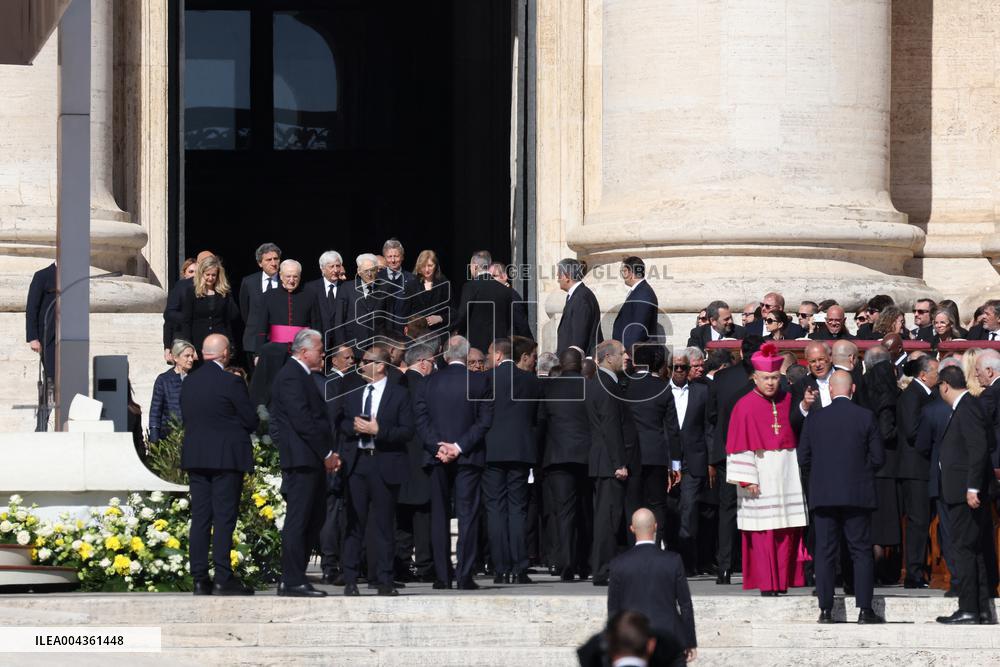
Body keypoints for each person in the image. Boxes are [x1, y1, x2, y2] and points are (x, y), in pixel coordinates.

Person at [797, 371, 885, 624]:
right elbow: (879, 458)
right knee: (860, 551)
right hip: (857, 493)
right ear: (853, 389)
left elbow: (803, 458)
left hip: (824, 494)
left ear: (831, 391)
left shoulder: (815, 419)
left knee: (824, 553)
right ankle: (865, 609)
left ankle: (825, 609)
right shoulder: (865, 416)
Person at [725, 342, 808, 595]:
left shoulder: (788, 400)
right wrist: (746, 479)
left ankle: (781, 582)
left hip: (786, 473)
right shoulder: (744, 405)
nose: (771, 383)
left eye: (774, 377)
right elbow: (738, 446)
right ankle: (767, 584)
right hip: (759, 474)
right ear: (755, 377)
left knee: (785, 531)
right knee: (764, 534)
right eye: (765, 378)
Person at [179, 333, 259, 596]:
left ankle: (200, 578)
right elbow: (250, 420)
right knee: (224, 518)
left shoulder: (189, 382)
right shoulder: (230, 382)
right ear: (225, 354)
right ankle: (223, 576)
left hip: (197, 457)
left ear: (203, 354)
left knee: (201, 518)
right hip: (226, 458)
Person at [413, 335, 494, 590]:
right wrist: (458, 447)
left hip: (437, 456)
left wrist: (439, 446)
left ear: (445, 355)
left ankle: (442, 575)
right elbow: (484, 421)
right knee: (467, 514)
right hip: (468, 456)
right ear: (467, 356)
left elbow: (421, 420)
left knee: (439, 515)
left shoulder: (428, 383)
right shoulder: (480, 382)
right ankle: (465, 574)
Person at [335, 344, 414, 597]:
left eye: (366, 361)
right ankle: (349, 578)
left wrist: (380, 432)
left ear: (380, 365)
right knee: (354, 523)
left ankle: (385, 579)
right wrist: (355, 427)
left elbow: (407, 430)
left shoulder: (399, 394)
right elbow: (341, 421)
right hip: (357, 463)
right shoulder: (353, 390)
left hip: (384, 462)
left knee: (383, 524)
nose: (360, 364)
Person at [270, 329, 341, 597]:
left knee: (313, 518)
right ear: (304, 351)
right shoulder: (291, 376)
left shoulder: (301, 375)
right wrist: (326, 453)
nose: (323, 354)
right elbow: (303, 420)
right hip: (302, 460)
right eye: (320, 349)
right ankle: (291, 578)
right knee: (300, 520)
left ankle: (294, 575)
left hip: (309, 459)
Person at [935, 365, 996, 625]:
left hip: (965, 493)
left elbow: (979, 446)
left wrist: (972, 487)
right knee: (975, 549)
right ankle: (980, 609)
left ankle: (969, 608)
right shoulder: (968, 405)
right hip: (963, 490)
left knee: (963, 549)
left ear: (945, 385)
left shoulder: (967, 407)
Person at [482, 337, 542, 584]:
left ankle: (500, 567)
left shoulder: (487, 379)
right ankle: (519, 566)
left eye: (488, 354)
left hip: (492, 450)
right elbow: (537, 417)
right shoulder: (530, 380)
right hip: (520, 450)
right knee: (517, 509)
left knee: (495, 508)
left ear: (497, 355)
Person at [706, 335, 763, 584]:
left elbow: (711, 416)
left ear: (740, 351)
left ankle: (725, 567)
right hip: (757, 451)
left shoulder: (722, 378)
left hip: (728, 451)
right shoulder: (766, 379)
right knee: (758, 508)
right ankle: (757, 563)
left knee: (727, 510)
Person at [608, 509, 697, 658]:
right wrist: (689, 641)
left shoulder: (618, 564)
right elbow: (685, 605)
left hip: (633, 639)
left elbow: (613, 611)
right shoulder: (673, 561)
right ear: (655, 526)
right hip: (669, 638)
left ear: (631, 529)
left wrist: (614, 645)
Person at [539, 348, 592, 581]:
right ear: (580, 364)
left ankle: (565, 561)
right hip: (587, 456)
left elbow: (541, 423)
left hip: (558, 457)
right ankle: (584, 561)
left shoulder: (549, 388)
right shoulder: (589, 386)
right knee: (586, 510)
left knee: (564, 511)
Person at [623, 345, 683, 552]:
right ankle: (655, 546)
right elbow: (672, 428)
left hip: (631, 453)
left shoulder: (625, 385)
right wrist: (675, 461)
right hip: (656, 453)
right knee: (657, 503)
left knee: (633, 502)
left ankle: (634, 547)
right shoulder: (663, 386)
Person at [587, 339, 632, 585]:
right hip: (607, 462)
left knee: (607, 516)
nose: (626, 357)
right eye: (622, 353)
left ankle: (605, 566)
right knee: (608, 518)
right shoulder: (605, 384)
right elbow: (610, 426)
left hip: (603, 461)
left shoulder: (602, 382)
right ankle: (603, 569)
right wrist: (619, 463)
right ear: (608, 358)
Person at [249, 259, 322, 405]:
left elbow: (316, 326)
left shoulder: (310, 295)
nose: (292, 280)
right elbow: (261, 328)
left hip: (302, 352)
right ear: (280, 275)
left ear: (300, 277)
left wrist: (318, 352)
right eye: (288, 276)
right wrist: (258, 354)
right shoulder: (269, 296)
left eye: (295, 276)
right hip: (275, 351)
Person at [395, 343, 437, 583]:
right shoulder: (425, 386)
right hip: (422, 456)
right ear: (422, 362)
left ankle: (401, 563)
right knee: (422, 515)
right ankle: (424, 564)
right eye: (432, 363)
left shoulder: (395, 384)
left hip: (400, 458)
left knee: (401, 514)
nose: (433, 367)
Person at [895, 355, 939, 588]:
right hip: (915, 469)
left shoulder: (922, 394)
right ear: (923, 374)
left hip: (920, 468)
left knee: (921, 521)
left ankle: (918, 569)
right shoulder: (913, 395)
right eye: (935, 372)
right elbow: (913, 431)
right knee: (918, 521)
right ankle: (913, 573)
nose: (938, 376)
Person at [452, 250, 525, 354]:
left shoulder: (470, 287)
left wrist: (452, 331)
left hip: (475, 345)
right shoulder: (505, 290)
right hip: (499, 346)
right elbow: (509, 320)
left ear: (475, 267)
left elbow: (462, 315)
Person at [178, 255, 240, 357]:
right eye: (207, 274)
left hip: (219, 344)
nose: (210, 278)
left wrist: (231, 344)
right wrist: (189, 347)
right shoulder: (191, 292)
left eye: (214, 275)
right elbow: (186, 322)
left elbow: (230, 318)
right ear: (201, 274)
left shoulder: (223, 293)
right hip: (198, 345)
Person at [238, 243, 281, 368]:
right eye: (269, 259)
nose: (273, 263)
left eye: (276, 259)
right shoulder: (248, 282)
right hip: (253, 340)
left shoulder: (286, 281)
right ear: (260, 263)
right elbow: (245, 310)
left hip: (278, 341)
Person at [403, 249, 454, 348]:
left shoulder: (444, 283)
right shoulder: (411, 284)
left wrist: (440, 318)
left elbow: (453, 311)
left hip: (438, 333)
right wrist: (417, 321)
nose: (426, 270)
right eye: (423, 266)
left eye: (430, 266)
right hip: (416, 335)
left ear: (436, 266)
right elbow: (405, 312)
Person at [149, 339, 196, 442]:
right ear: (175, 358)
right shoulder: (163, 380)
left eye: (192, 356)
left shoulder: (196, 380)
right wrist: (154, 440)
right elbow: (155, 412)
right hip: (169, 438)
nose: (191, 359)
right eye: (187, 356)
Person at [340, 253, 390, 350]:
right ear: (359, 271)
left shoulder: (385, 288)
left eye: (372, 270)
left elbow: (388, 318)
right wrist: (342, 344)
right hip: (352, 344)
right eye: (366, 271)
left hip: (377, 345)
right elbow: (340, 319)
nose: (370, 274)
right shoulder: (347, 288)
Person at [556, 258, 604, 357]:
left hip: (579, 362)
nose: (558, 279)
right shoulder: (577, 295)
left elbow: (579, 336)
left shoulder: (581, 298)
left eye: (559, 275)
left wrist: (572, 362)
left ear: (566, 276)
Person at [612, 256, 659, 355]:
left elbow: (639, 328)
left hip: (635, 355)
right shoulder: (640, 291)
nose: (623, 275)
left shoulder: (643, 294)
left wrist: (627, 353)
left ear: (630, 272)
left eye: (623, 271)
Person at [303, 250, 348, 351]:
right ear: (322, 268)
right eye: (331, 266)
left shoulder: (346, 287)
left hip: (341, 344)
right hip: (318, 343)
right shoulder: (311, 288)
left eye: (338, 266)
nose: (336, 270)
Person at [378, 238, 418, 334]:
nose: (393, 260)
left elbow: (415, 307)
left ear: (402, 257)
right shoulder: (377, 278)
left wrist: (410, 325)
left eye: (396, 256)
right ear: (385, 257)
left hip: (404, 332)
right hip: (381, 332)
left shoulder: (412, 279)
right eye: (389, 256)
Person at [25, 262, 56, 384]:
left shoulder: (74, 277)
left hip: (71, 338)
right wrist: (33, 338)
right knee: (52, 375)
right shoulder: (42, 275)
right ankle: (54, 402)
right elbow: (32, 308)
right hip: (48, 338)